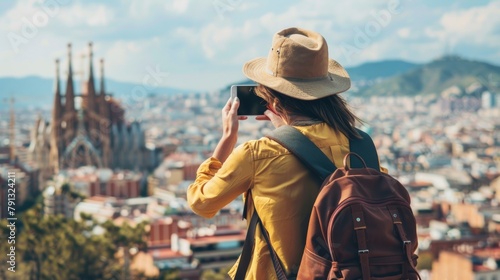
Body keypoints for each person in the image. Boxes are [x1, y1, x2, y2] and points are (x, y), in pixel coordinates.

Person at [187, 27, 384, 279]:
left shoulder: (258, 154)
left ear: (272, 99)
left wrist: (226, 140)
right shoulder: (361, 145)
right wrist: (289, 133)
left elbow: (201, 203)